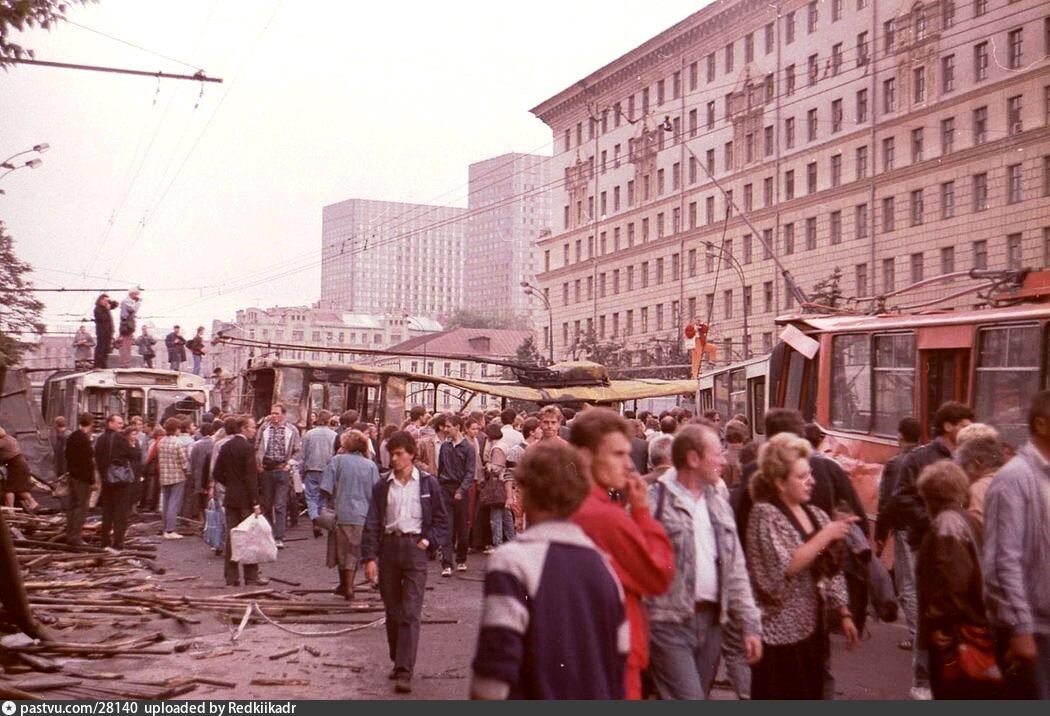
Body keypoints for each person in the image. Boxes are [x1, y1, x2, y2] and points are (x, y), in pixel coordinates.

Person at [470, 441, 629, 700]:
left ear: (527, 491)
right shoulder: (604, 566)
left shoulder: (512, 561)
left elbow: (494, 671)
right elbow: (620, 658)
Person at [646, 424, 763, 700]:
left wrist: (749, 624)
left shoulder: (718, 502)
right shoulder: (654, 501)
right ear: (693, 458)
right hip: (668, 623)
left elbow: (735, 569)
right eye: (716, 453)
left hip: (711, 623)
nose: (724, 460)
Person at [569, 408, 675, 700]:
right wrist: (642, 513)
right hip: (616, 655)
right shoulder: (606, 517)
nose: (629, 464)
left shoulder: (570, 507)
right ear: (588, 456)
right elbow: (658, 575)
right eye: (617, 454)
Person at [746, 432, 859, 700]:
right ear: (779, 481)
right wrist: (827, 534)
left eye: (809, 474)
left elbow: (831, 571)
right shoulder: (765, 515)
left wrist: (843, 612)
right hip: (778, 634)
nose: (811, 482)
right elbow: (787, 565)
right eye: (801, 477)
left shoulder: (816, 514)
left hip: (811, 629)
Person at [892, 401, 974, 699]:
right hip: (925, 543)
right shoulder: (919, 458)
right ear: (949, 426)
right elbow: (901, 497)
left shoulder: (968, 457)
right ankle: (923, 679)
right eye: (964, 424)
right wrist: (936, 521)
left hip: (961, 545)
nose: (969, 430)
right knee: (931, 611)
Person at [361, 431, 449, 694]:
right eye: (392, 454)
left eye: (400, 454)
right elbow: (373, 522)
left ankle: (404, 670)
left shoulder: (427, 484)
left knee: (410, 611)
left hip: (414, 549)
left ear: (411, 454)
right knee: (393, 611)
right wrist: (369, 558)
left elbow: (442, 521)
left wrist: (427, 542)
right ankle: (397, 659)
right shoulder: (382, 485)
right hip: (389, 548)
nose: (395, 459)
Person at [915, 461, 1002, 699]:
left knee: (952, 691)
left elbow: (951, 580)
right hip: (975, 624)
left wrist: (939, 624)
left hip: (955, 633)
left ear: (931, 496)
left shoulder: (946, 525)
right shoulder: (970, 521)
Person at [983, 390, 1050, 699]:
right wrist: (1020, 628)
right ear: (1042, 424)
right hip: (1033, 631)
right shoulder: (1014, 479)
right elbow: (1002, 561)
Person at [874, 416, 922, 652]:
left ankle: (915, 636)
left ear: (900, 435)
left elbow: (887, 501)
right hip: (924, 527)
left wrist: (881, 534)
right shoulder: (925, 458)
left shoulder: (895, 464)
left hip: (904, 528)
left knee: (908, 585)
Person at [320, 429, 381, 601]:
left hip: (342, 512)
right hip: (363, 514)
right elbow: (377, 491)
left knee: (342, 551)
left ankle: (347, 587)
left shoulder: (337, 461)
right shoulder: (370, 465)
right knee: (354, 551)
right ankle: (346, 585)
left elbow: (325, 487)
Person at [212, 416, 266, 587]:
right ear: (243, 428)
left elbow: (217, 473)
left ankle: (231, 576)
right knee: (249, 537)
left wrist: (230, 484)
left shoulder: (225, 446)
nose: (254, 431)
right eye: (251, 427)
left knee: (232, 536)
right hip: (246, 500)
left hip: (231, 497)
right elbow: (251, 478)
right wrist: (255, 502)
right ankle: (251, 576)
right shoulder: (247, 449)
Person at [254, 404, 302, 549]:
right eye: (272, 413)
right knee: (267, 504)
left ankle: (279, 536)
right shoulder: (264, 428)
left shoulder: (292, 430)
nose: (273, 416)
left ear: (283, 415)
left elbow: (298, 451)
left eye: (276, 413)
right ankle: (267, 535)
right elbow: (257, 446)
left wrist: (289, 464)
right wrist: (259, 463)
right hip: (267, 469)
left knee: (280, 504)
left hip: (282, 469)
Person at [93, 414, 140, 549]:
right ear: (110, 423)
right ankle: (118, 542)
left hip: (106, 480)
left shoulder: (100, 439)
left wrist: (104, 474)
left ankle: (105, 541)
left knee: (107, 511)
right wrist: (133, 443)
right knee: (120, 512)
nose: (122, 426)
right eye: (119, 423)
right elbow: (134, 455)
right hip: (120, 481)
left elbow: (97, 457)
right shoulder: (120, 438)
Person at [436, 414, 474, 576]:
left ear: (458, 427)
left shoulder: (468, 448)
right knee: (447, 527)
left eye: (449, 426)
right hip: (445, 488)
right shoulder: (445, 447)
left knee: (462, 529)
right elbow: (441, 469)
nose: (446, 429)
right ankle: (446, 563)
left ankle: (461, 559)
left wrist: (461, 490)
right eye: (445, 426)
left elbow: (470, 472)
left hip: (460, 490)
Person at [953, 424, 1005, 526]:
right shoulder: (1013, 478)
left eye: (963, 465)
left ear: (977, 463)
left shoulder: (977, 490)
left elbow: (975, 532)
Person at [479, 422, 515, 552]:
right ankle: (512, 540)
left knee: (496, 516)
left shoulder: (497, 448)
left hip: (498, 484)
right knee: (506, 515)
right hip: (506, 482)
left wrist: (487, 465)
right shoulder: (504, 445)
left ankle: (497, 543)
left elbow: (496, 468)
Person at [302, 410, 337, 538]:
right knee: (323, 497)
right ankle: (320, 521)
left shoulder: (309, 434)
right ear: (329, 420)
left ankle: (314, 519)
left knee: (311, 497)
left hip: (311, 468)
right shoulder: (333, 435)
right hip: (327, 470)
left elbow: (303, 453)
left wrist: (302, 469)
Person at [63, 413, 95, 546]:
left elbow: (66, 454)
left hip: (73, 475)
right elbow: (88, 461)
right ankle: (75, 536)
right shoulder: (84, 439)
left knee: (72, 506)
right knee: (82, 507)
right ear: (91, 424)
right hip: (82, 478)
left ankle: (69, 533)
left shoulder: (73, 436)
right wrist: (91, 480)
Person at [156, 417, 189, 539]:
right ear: (176, 429)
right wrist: (186, 472)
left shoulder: (161, 442)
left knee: (166, 502)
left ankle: (165, 528)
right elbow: (184, 462)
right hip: (177, 476)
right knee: (174, 503)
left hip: (164, 475)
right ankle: (171, 529)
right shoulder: (178, 442)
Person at [117, 288, 142, 369]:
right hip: (127, 326)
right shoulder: (127, 302)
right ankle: (124, 363)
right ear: (132, 294)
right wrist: (138, 302)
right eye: (136, 294)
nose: (137, 296)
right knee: (126, 345)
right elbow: (133, 309)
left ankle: (125, 363)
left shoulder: (127, 302)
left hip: (127, 326)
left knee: (127, 345)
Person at [92, 293, 118, 369]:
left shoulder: (106, 307)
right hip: (102, 331)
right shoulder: (98, 309)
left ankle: (104, 364)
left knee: (107, 348)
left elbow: (115, 304)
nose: (107, 302)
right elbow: (103, 319)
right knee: (101, 347)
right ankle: (98, 364)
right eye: (105, 300)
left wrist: (111, 301)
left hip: (108, 331)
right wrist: (107, 309)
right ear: (101, 300)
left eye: (107, 301)